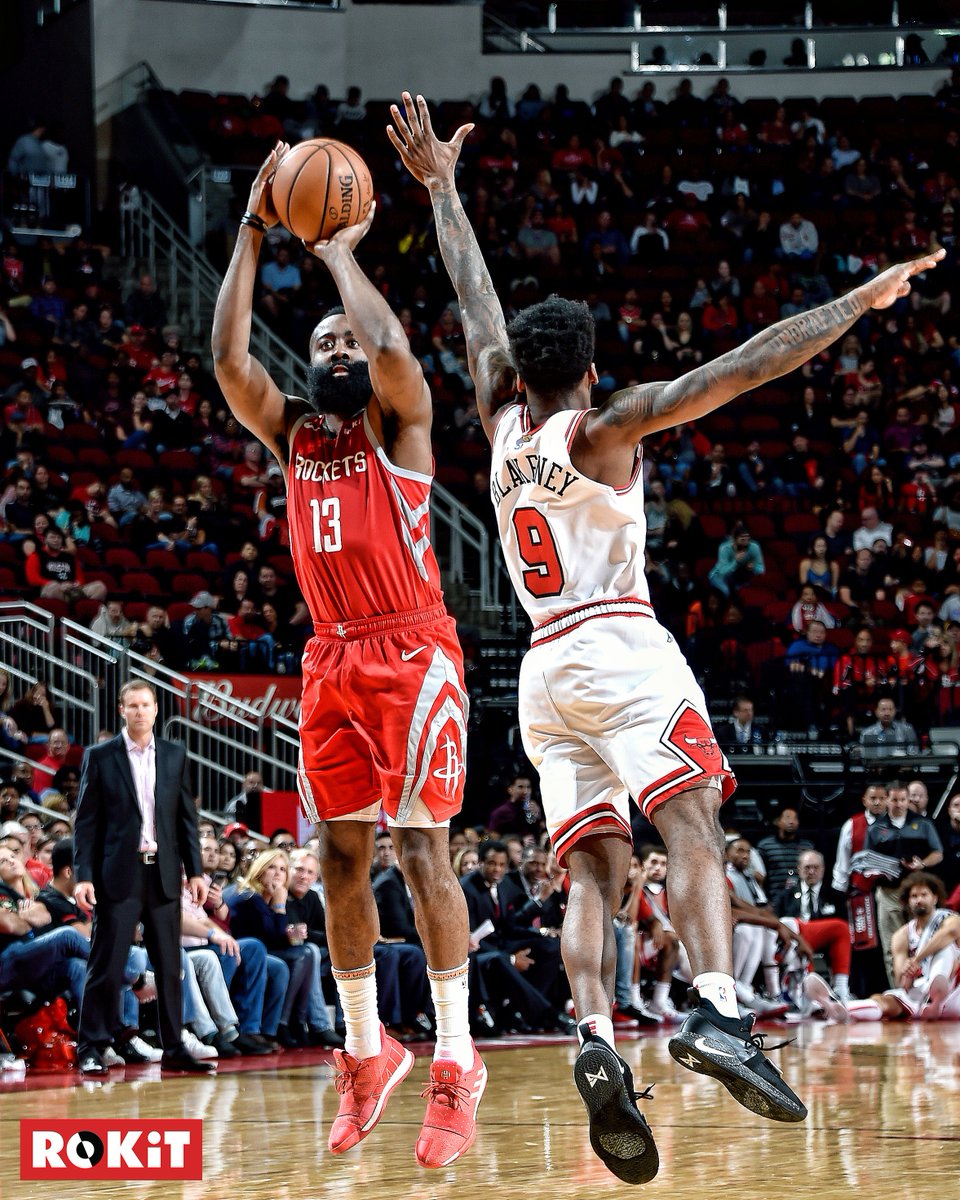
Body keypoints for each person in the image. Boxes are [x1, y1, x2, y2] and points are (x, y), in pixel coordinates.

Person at [388, 91, 943, 1180]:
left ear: (520, 375)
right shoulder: (604, 428)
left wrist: (443, 191)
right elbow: (746, 365)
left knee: (592, 872)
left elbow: (473, 299)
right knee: (689, 823)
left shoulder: (500, 421)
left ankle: (595, 1038)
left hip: (543, 670)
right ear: (589, 370)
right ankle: (721, 1011)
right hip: (621, 645)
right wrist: (858, 302)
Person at [212, 142, 483, 1168]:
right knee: (337, 860)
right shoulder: (291, 434)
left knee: (422, 853)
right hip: (330, 660)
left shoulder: (401, 426)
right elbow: (230, 361)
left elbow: (396, 349)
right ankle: (368, 1052)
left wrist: (336, 256)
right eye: (318, 340)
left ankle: (457, 1059)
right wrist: (250, 225)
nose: (333, 348)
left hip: (413, 655)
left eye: (345, 343)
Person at [73, 679, 214, 1074]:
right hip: (118, 874)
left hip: (164, 875)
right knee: (107, 964)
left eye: (145, 705)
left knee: (170, 966)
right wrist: (84, 875)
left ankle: (175, 1048)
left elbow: (187, 819)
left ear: (156, 710)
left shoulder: (174, 754)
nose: (139, 712)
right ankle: (91, 1046)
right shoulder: (101, 756)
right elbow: (85, 823)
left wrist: (196, 870)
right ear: (121, 710)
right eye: (131, 705)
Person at [806, 873, 960, 1021]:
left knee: (946, 947)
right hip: (920, 994)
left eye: (924, 895)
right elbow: (900, 982)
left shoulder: (950, 918)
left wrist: (916, 959)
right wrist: (908, 973)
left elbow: (950, 933)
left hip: (954, 994)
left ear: (935, 898)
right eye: (914, 896)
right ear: (907, 901)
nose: (919, 900)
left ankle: (936, 998)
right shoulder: (901, 935)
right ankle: (836, 1007)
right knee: (883, 1000)